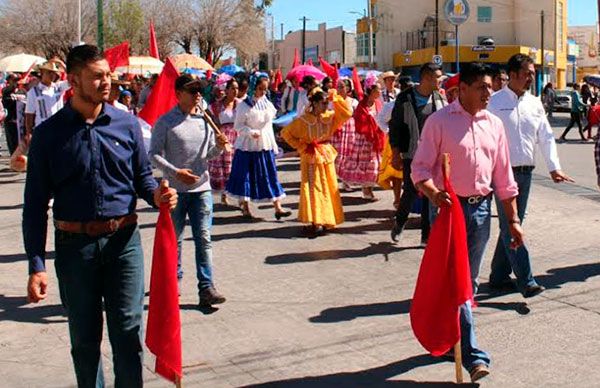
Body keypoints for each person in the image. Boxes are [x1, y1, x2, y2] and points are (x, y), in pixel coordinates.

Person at [23, 44, 178, 387]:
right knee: (84, 340)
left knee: (127, 333)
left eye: (108, 74)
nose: (106, 82)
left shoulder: (127, 125)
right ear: (73, 80)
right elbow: (34, 204)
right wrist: (36, 264)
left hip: (123, 245)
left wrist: (157, 195)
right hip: (74, 248)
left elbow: (141, 178)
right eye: (97, 76)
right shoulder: (49, 135)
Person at [411, 62, 523, 383]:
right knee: (456, 281)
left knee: (467, 281)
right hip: (448, 210)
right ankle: (473, 355)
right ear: (462, 90)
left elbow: (504, 177)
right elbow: (420, 170)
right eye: (482, 88)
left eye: (491, 87)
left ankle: (454, 339)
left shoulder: (494, 125)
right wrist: (433, 194)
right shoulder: (439, 122)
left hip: (480, 211)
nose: (489, 93)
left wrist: (513, 220)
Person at [487, 54, 573, 297]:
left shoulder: (535, 103)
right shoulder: (494, 102)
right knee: (511, 226)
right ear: (512, 74)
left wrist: (554, 167)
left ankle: (498, 276)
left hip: (526, 173)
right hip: (502, 174)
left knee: (513, 225)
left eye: (532, 74)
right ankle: (527, 281)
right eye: (527, 73)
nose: (531, 78)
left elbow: (545, 137)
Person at [150, 73, 229, 307]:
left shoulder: (205, 120)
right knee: (175, 240)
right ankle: (173, 283)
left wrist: (219, 148)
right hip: (174, 193)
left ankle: (206, 287)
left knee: (203, 239)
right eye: (191, 91)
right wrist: (176, 173)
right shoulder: (165, 122)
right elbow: (153, 154)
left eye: (199, 91)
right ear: (178, 94)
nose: (197, 95)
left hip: (201, 189)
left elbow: (207, 157)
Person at [281, 87, 352, 237]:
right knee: (313, 188)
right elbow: (286, 133)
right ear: (314, 103)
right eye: (323, 103)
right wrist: (302, 146)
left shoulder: (329, 117)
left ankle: (326, 219)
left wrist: (336, 98)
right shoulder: (303, 120)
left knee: (328, 187)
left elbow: (347, 113)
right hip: (311, 156)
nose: (326, 106)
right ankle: (316, 221)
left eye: (327, 103)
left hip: (325, 154)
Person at [389, 63, 446, 244]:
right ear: (427, 78)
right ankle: (399, 223)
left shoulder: (439, 99)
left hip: (434, 155)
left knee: (431, 193)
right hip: (412, 154)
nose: (441, 81)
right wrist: (396, 153)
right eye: (438, 77)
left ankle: (426, 236)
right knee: (411, 192)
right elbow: (395, 127)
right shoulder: (405, 98)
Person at [225, 76, 291, 219]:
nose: (262, 92)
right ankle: (245, 207)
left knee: (269, 174)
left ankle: (278, 207)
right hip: (247, 146)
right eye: (260, 89)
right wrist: (250, 132)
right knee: (245, 176)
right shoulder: (244, 105)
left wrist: (273, 142)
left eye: (265, 89)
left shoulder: (267, 104)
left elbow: (269, 124)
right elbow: (238, 126)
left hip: (264, 144)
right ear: (254, 87)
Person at [339, 84, 384, 200]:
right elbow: (359, 122)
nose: (380, 91)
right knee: (367, 165)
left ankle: (368, 189)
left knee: (375, 165)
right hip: (365, 139)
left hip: (377, 139)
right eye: (378, 89)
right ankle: (367, 190)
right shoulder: (362, 106)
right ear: (371, 91)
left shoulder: (379, 104)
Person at [208, 79, 239, 205]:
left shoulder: (241, 104)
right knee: (223, 166)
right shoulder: (217, 106)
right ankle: (224, 193)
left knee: (235, 166)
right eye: (232, 88)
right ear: (226, 90)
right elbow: (209, 118)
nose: (235, 91)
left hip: (237, 137)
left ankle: (237, 194)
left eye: (237, 88)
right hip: (222, 137)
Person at [24, 59, 70, 142]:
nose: (52, 75)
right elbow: (29, 114)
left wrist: (62, 64)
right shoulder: (33, 92)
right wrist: (29, 133)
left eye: (54, 73)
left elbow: (73, 79)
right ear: (41, 73)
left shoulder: (59, 87)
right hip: (42, 129)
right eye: (49, 72)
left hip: (59, 127)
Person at [330, 78, 359, 191]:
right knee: (336, 155)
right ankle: (333, 180)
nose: (339, 89)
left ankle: (346, 181)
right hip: (337, 128)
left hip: (350, 129)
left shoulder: (353, 102)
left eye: (342, 87)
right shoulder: (333, 100)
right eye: (338, 87)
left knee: (348, 155)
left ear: (348, 88)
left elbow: (357, 116)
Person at [2, 73, 23, 155]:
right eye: (14, 80)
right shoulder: (6, 90)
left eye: (18, 80)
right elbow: (6, 102)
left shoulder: (22, 90)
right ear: (9, 81)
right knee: (13, 143)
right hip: (11, 121)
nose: (17, 82)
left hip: (21, 120)